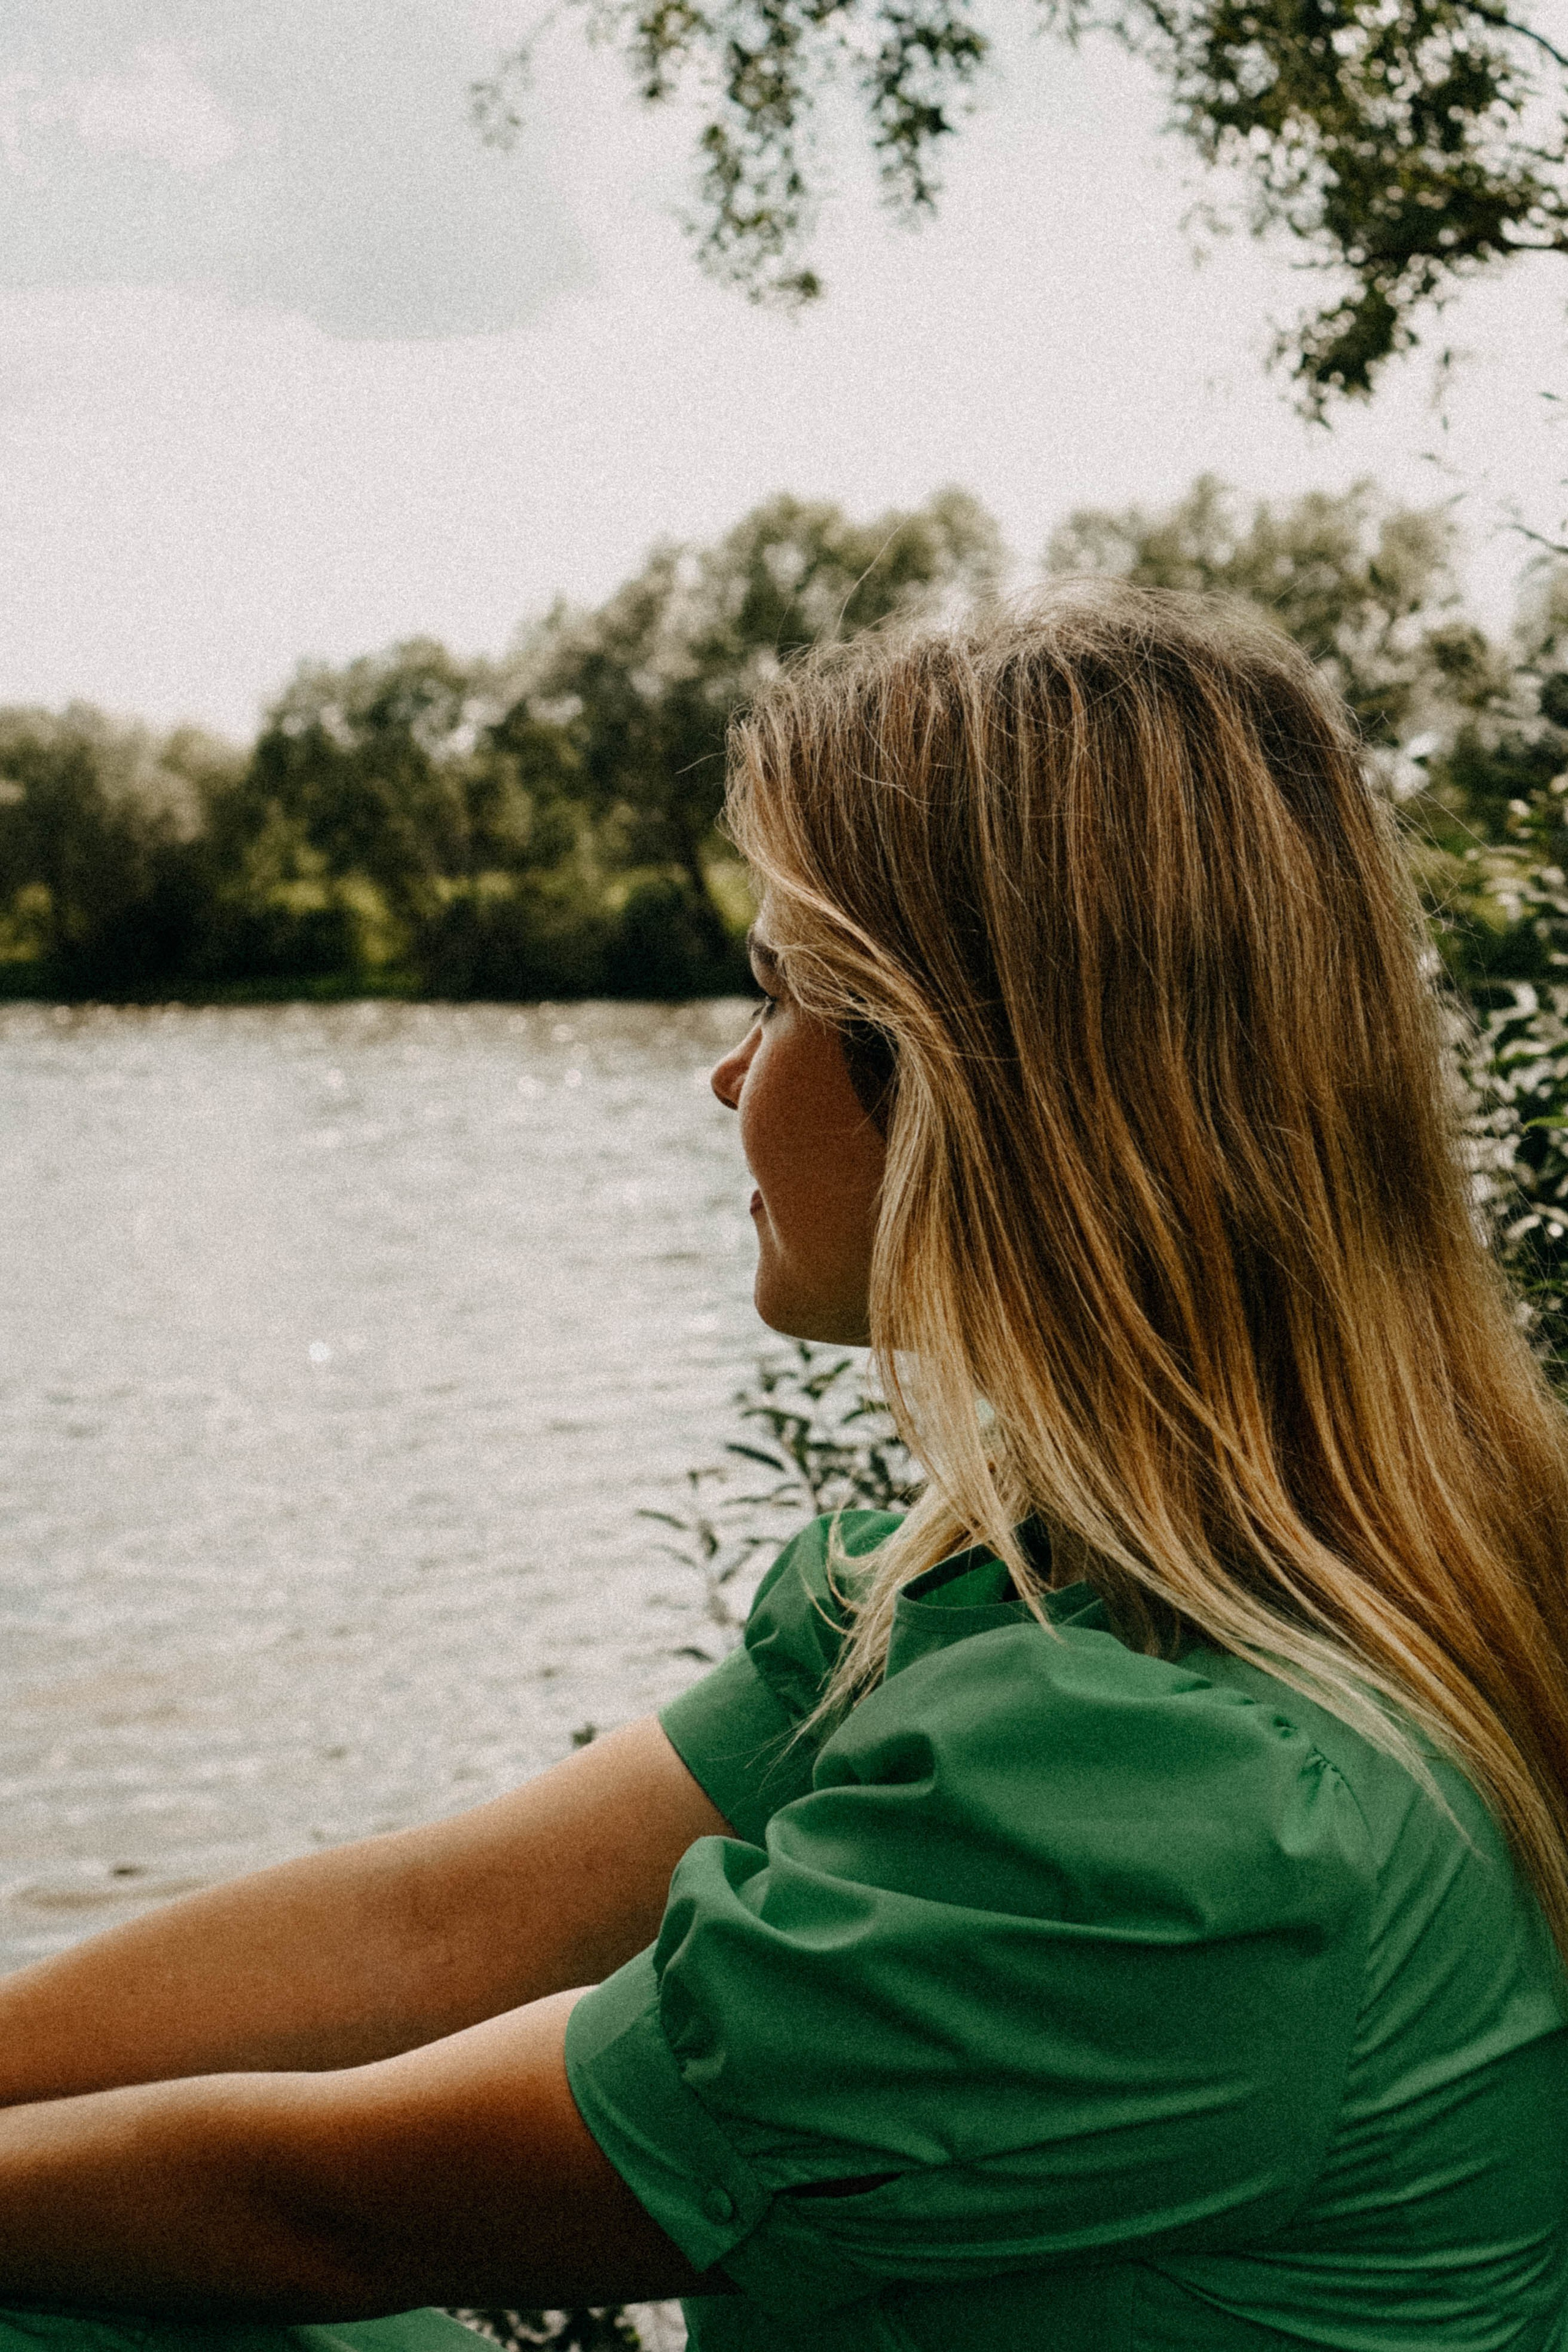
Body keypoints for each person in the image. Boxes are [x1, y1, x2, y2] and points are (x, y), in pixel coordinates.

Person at [0, 581, 1564, 2352]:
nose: (727, 1074)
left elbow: (326, 2214)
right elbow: (426, 1930)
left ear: (973, 1077)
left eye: (775, 993)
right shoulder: (1071, 1574)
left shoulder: (1177, 1810)